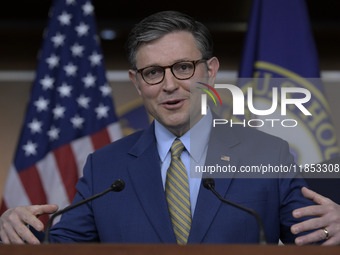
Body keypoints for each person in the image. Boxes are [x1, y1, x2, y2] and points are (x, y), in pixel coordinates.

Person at [1, 10, 340, 245]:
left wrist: (334, 229)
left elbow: (315, 235)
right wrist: (15, 229)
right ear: (136, 82)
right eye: (153, 72)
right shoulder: (105, 167)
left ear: (210, 71)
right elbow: (58, 247)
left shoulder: (268, 153)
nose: (169, 85)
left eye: (182, 67)